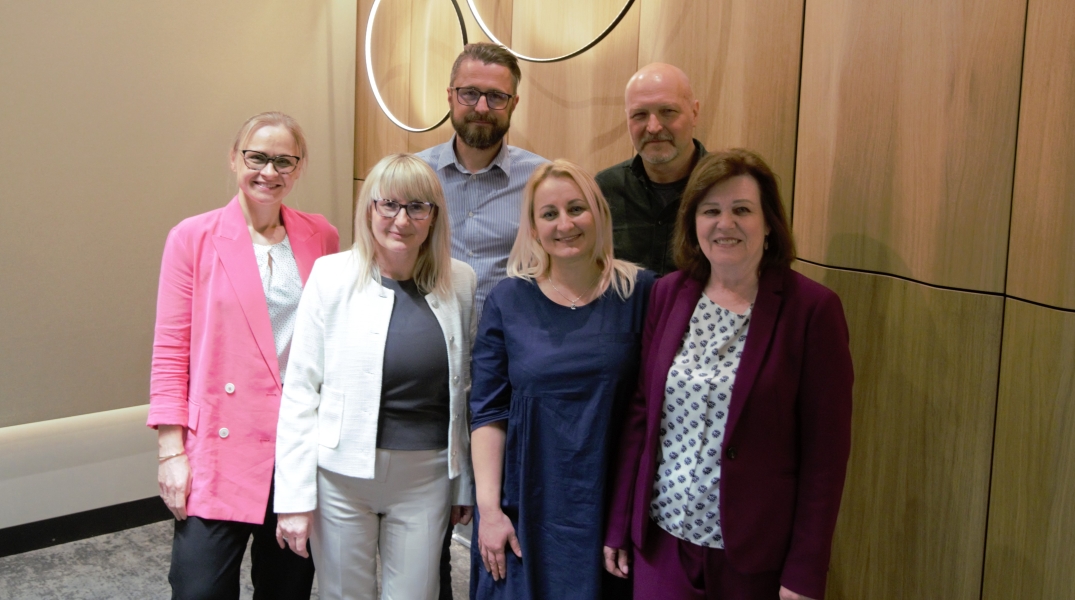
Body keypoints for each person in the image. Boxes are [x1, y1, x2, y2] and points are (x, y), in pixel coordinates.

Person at [603, 149, 853, 600]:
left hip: (753, 554)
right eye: (711, 211)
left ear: (769, 222)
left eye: (742, 210)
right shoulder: (668, 293)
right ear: (693, 221)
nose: (725, 224)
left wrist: (805, 570)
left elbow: (826, 455)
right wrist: (620, 522)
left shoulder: (812, 310)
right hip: (663, 541)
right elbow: (642, 415)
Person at [148, 111, 339, 599]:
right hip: (217, 445)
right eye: (257, 157)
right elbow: (170, 351)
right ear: (234, 159)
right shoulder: (193, 237)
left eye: (283, 161)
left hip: (294, 444)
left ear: (299, 168)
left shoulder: (321, 236)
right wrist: (171, 452)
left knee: (286, 588)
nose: (269, 172)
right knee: (198, 588)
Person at [272, 153, 477, 600]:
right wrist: (293, 499)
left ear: (433, 217)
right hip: (340, 478)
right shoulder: (331, 276)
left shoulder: (460, 282)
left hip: (425, 478)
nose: (401, 220)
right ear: (369, 209)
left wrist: (463, 481)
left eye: (417, 207)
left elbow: (464, 393)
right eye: (389, 204)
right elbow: (301, 390)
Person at [469, 160, 656, 600]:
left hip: (608, 504)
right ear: (534, 228)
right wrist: (489, 511)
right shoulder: (508, 299)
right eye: (549, 214)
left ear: (600, 214)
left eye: (576, 209)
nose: (565, 224)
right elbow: (488, 413)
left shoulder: (641, 292)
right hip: (524, 502)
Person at [416, 41, 548, 599]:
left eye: (496, 96)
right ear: (450, 96)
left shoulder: (541, 182)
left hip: (508, 377)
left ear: (514, 103)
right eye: (470, 93)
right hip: (425, 372)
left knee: (501, 517)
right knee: (424, 528)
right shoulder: (413, 176)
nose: (481, 107)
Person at [596, 62, 707, 274]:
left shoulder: (725, 187)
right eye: (640, 115)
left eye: (668, 111)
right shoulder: (604, 190)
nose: (654, 127)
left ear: (694, 113)